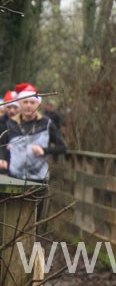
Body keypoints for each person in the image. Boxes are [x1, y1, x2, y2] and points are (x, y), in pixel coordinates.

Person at [0, 83, 66, 220]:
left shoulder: (46, 124)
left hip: (38, 179)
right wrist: (4, 161)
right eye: (25, 102)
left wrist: (44, 150)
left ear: (38, 104)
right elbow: (4, 146)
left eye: (32, 102)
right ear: (20, 103)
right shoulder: (10, 124)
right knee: (12, 219)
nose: (29, 106)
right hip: (14, 179)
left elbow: (62, 148)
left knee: (35, 220)